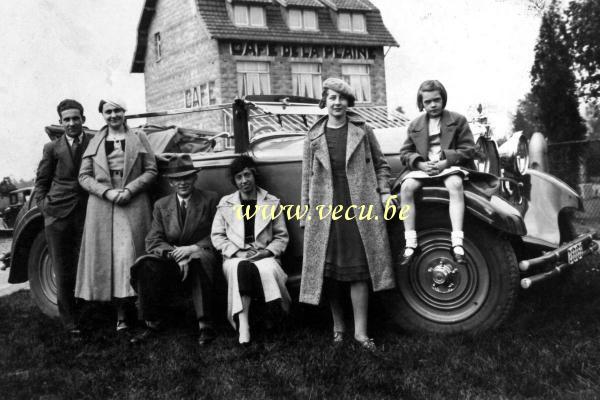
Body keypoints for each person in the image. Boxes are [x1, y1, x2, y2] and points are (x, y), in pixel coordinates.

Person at [299, 78, 395, 350]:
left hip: (359, 208)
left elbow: (382, 165)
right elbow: (306, 177)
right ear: (324, 102)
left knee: (358, 271)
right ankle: (338, 328)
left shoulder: (362, 130)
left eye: (342, 98)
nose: (337, 103)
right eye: (332, 98)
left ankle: (361, 333)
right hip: (325, 209)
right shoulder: (313, 135)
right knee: (328, 271)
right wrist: (305, 210)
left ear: (348, 102)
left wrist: (384, 191)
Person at [75, 98, 157, 331]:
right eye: (108, 112)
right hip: (103, 208)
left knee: (133, 258)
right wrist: (107, 192)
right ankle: (120, 314)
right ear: (102, 115)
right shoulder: (95, 142)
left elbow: (151, 169)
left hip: (133, 203)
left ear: (125, 112)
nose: (113, 115)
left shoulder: (139, 137)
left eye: (118, 110)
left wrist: (130, 189)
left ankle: (145, 311)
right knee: (111, 260)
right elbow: (84, 177)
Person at [130, 154, 219, 346]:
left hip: (200, 252)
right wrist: (175, 254)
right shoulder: (162, 205)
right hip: (174, 257)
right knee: (146, 264)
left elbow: (220, 234)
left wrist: (192, 249)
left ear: (195, 178)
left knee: (199, 259)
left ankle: (205, 324)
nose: (183, 183)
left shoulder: (210, 199)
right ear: (171, 182)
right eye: (177, 179)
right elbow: (153, 239)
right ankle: (152, 322)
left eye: (187, 177)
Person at [211, 156, 291, 346]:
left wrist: (265, 252)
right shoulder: (226, 203)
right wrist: (237, 252)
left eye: (247, 175)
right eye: (238, 177)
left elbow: (281, 237)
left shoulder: (271, 202)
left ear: (254, 175)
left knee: (267, 270)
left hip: (264, 254)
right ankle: (244, 324)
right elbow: (217, 236)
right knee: (241, 267)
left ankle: (275, 318)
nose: (244, 181)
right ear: (234, 181)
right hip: (235, 256)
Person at [395, 80, 476, 267]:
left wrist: (445, 162)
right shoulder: (415, 124)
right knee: (406, 188)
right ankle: (411, 242)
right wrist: (420, 164)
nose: (432, 105)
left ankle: (456, 241)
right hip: (424, 167)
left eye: (437, 100)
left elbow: (469, 149)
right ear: (421, 103)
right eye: (427, 102)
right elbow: (405, 153)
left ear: (443, 99)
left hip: (449, 165)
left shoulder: (458, 120)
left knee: (455, 185)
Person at [34, 99, 93, 338]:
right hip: (57, 215)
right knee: (62, 266)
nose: (71, 123)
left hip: (86, 213)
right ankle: (70, 321)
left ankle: (88, 314)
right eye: (66, 119)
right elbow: (41, 182)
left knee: (85, 265)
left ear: (83, 120)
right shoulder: (52, 148)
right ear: (60, 122)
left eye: (75, 118)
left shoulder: (93, 143)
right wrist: (44, 207)